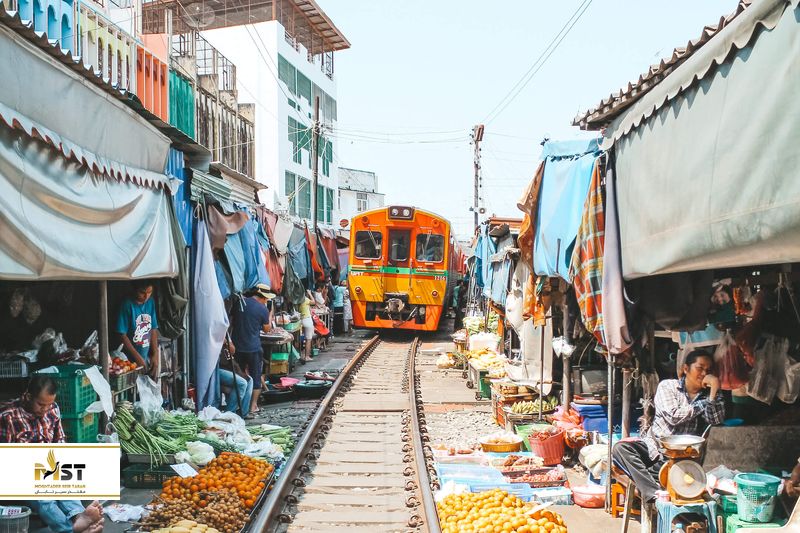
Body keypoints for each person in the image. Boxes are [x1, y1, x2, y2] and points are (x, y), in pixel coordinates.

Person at [612, 349, 725, 505]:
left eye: (708, 370)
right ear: (686, 369)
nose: (704, 373)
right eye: (700, 368)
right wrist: (704, 403)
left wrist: (713, 393)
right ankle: (653, 493)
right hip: (653, 447)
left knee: (660, 474)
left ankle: (651, 487)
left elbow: (716, 419)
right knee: (620, 449)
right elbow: (673, 416)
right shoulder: (668, 386)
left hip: (681, 457)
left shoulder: (709, 395)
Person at [0, 376, 105, 533]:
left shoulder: (53, 408)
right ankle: (70, 529)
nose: (45, 409)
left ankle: (79, 517)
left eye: (48, 405)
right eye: (41, 404)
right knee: (45, 498)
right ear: (28, 397)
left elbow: (60, 444)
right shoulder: (8, 416)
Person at [230, 284, 274, 416]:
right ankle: (253, 406)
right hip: (253, 347)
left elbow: (232, 321)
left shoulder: (239, 303)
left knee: (240, 376)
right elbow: (267, 329)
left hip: (237, 346)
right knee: (255, 376)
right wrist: (270, 314)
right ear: (264, 297)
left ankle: (240, 404)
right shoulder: (262, 309)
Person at [116, 280, 159, 380]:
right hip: (129, 360)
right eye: (142, 292)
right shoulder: (127, 304)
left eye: (149, 292)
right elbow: (121, 334)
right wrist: (137, 357)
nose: (146, 296)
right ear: (134, 290)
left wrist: (155, 354)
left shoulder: (151, 302)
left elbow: (153, 329)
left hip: (146, 356)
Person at [217, 335, 254, 419]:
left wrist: (226, 342)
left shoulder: (225, 333)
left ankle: (243, 413)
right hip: (217, 368)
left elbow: (232, 350)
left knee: (249, 380)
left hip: (229, 367)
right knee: (242, 383)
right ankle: (229, 413)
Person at [299, 292, 314, 363]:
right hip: (307, 319)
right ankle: (307, 356)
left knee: (301, 338)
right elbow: (314, 302)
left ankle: (301, 355)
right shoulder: (305, 299)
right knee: (308, 339)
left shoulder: (297, 299)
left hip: (301, 320)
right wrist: (310, 294)